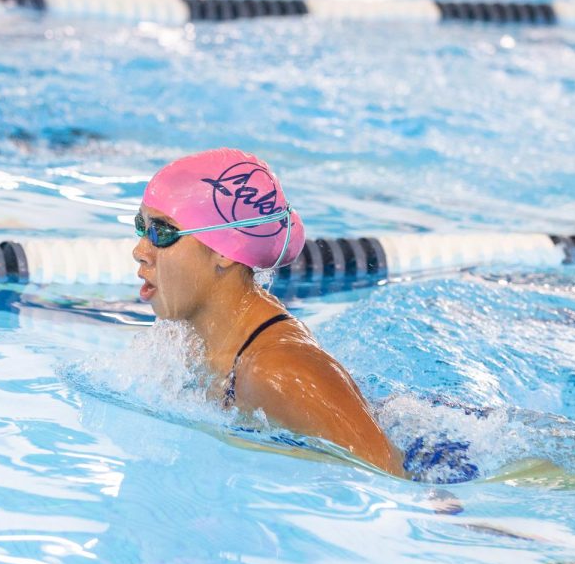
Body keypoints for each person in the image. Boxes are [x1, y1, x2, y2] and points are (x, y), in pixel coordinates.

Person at [131, 148, 403, 475]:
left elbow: (392, 478)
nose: (140, 251)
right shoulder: (192, 340)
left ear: (225, 251)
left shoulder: (280, 372)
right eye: (140, 227)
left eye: (161, 233)